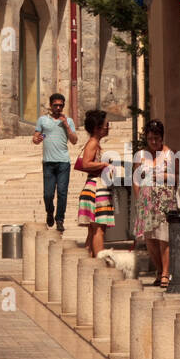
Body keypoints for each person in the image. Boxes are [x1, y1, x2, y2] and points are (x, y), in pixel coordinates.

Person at [133, 119, 178, 288]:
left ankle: (166, 272)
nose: (153, 142)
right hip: (146, 200)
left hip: (164, 199)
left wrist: (161, 176)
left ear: (162, 138)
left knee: (163, 237)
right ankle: (159, 271)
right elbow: (136, 179)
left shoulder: (168, 154)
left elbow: (175, 177)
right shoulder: (140, 155)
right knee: (150, 239)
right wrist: (138, 200)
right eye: (151, 138)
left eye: (157, 138)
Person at [32, 92, 78, 232]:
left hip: (63, 162)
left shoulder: (68, 121)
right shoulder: (42, 120)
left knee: (62, 192)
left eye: (61, 105)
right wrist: (37, 139)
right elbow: (36, 138)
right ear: (51, 106)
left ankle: (60, 219)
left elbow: (74, 141)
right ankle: (50, 212)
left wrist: (66, 126)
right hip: (48, 162)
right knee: (48, 194)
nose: (58, 108)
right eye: (55, 105)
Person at [75, 109, 115, 257]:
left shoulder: (94, 143)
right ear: (97, 127)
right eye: (106, 124)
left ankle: (88, 263)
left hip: (93, 187)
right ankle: (99, 262)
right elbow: (86, 164)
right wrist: (104, 165)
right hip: (96, 189)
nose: (108, 127)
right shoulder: (92, 143)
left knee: (93, 230)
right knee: (99, 229)